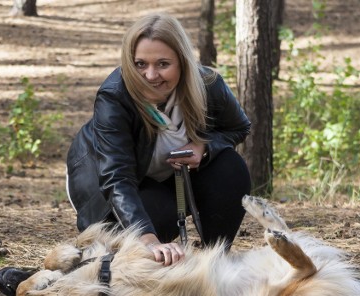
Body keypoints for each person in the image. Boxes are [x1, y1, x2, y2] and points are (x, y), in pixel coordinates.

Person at [66, 13, 251, 266]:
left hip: (168, 176)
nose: (151, 75)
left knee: (231, 168)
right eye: (140, 64)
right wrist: (149, 240)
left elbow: (238, 127)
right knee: (159, 215)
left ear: (183, 62)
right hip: (108, 184)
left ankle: (215, 262)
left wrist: (203, 147)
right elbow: (116, 177)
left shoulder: (209, 85)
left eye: (163, 64)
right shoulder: (114, 97)